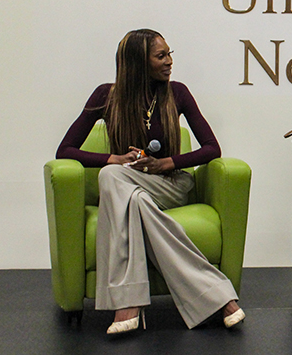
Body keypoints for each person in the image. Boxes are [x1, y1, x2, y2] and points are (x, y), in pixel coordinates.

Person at [56, 29, 245, 334]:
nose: (169, 61)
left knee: (112, 179)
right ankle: (219, 297)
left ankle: (127, 304)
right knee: (126, 189)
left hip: (170, 184)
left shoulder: (178, 93)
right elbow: (65, 150)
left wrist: (165, 163)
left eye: (170, 54)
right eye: (161, 56)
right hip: (129, 185)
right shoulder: (106, 95)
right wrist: (113, 159)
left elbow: (212, 148)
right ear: (137, 62)